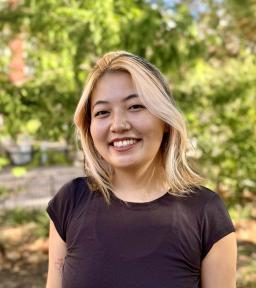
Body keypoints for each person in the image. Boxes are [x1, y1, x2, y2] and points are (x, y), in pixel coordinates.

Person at [46, 51, 237, 288]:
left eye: (135, 106)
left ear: (165, 120)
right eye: (102, 112)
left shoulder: (206, 213)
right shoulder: (69, 203)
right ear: (89, 126)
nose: (118, 125)